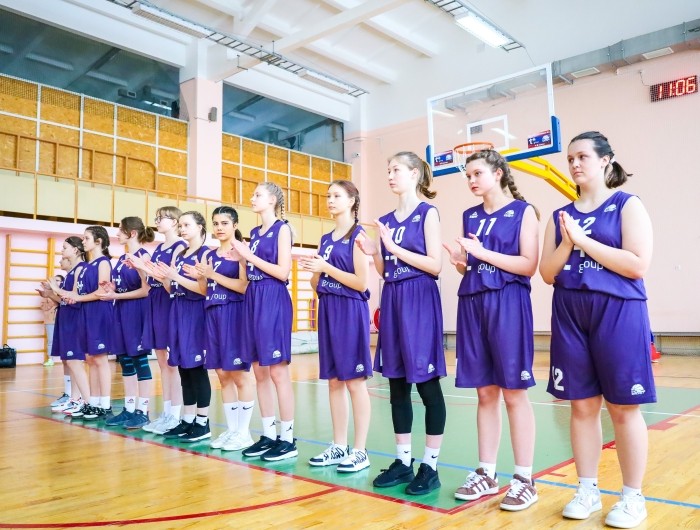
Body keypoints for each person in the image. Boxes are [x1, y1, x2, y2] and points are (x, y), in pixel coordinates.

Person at [540, 131, 655, 529]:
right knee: (582, 406)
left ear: (606, 160)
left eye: (583, 156)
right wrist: (568, 242)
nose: (574, 164)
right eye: (570, 158)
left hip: (618, 310)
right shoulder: (560, 216)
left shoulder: (627, 204)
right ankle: (587, 489)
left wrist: (584, 241)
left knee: (623, 408)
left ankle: (633, 497)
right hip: (570, 312)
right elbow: (547, 273)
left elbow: (637, 264)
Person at [444, 149, 539, 511]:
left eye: (477, 173)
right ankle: (486, 472)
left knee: (513, 392)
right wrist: (461, 262)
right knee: (485, 393)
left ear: (498, 173)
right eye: (467, 175)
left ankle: (525, 478)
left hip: (508, 303)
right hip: (473, 302)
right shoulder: (469, 215)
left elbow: (528, 265)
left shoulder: (523, 211)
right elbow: (473, 265)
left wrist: (481, 254)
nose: (471, 180)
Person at [356, 151, 446, 495]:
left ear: (414, 174)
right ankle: (403, 461)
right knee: (396, 385)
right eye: (388, 170)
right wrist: (375, 253)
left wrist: (393, 246)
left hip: (419, 297)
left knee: (427, 386)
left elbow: (435, 265)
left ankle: (430, 466)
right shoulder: (385, 220)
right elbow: (385, 270)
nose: (390, 175)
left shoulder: (428, 212)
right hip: (393, 296)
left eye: (396, 169)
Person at [299, 180, 372, 473]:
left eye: (337, 196)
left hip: (350, 310)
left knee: (354, 381)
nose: (330, 200)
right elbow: (317, 284)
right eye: (328, 195)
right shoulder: (326, 238)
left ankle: (360, 450)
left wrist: (326, 268)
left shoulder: (358, 235)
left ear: (352, 201)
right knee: (333, 381)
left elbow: (361, 283)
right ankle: (339, 444)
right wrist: (313, 272)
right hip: (328, 308)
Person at [233, 182, 297, 462]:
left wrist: (249, 255)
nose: (252, 198)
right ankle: (269, 435)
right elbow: (251, 271)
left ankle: (288, 438)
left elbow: (283, 272)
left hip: (273, 297)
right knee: (259, 372)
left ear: (272, 200)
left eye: (257, 194)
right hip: (254, 296)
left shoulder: (282, 229)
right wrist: (241, 260)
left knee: (277, 373)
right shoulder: (255, 233)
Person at [194, 206, 255, 452]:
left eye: (225, 223)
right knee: (222, 374)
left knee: (238, 375)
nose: (219, 228)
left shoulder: (240, 251)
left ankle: (244, 433)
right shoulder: (209, 255)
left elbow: (243, 286)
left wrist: (213, 275)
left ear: (235, 225)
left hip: (234, 314)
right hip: (212, 314)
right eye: (216, 223)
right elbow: (204, 290)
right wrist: (201, 276)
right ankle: (232, 430)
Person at [149, 211, 211, 443]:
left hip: (195, 312)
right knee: (183, 368)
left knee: (196, 369)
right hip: (177, 309)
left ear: (200, 227)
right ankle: (187, 419)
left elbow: (204, 290)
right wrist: (163, 277)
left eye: (187, 225)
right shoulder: (181, 253)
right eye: (181, 225)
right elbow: (171, 288)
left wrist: (175, 275)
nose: (182, 229)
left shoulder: (205, 253)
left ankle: (203, 423)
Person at [127, 206, 186, 434]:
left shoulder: (179, 246)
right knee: (162, 362)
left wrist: (147, 268)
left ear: (175, 222)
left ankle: (175, 415)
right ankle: (167, 413)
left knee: (172, 363)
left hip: (169, 301)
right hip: (155, 300)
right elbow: (152, 277)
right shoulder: (160, 247)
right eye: (157, 218)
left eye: (162, 218)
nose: (158, 221)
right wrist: (141, 268)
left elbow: (171, 280)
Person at [98, 217, 155, 429]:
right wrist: (112, 288)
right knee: (125, 360)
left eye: (120, 230)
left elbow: (146, 290)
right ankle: (129, 408)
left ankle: (143, 411)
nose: (117, 234)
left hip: (137, 311)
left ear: (132, 233)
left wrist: (117, 296)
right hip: (121, 310)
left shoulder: (143, 256)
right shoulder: (122, 257)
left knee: (139, 360)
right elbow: (124, 285)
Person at [53, 227, 113, 420]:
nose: (84, 241)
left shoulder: (103, 263)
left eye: (87, 238)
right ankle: (93, 403)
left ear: (99, 241)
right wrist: (60, 293)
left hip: (99, 313)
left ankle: (105, 405)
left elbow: (101, 292)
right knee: (92, 359)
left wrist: (76, 298)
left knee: (100, 360)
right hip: (87, 313)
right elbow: (78, 293)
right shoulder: (88, 266)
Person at [43, 249, 87, 414]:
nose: (61, 260)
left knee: (75, 361)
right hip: (65, 319)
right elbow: (63, 300)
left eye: (64, 255)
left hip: (74, 320)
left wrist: (55, 289)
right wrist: (50, 293)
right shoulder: (70, 275)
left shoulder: (80, 270)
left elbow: (73, 298)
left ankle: (84, 400)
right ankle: (73, 397)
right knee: (68, 361)